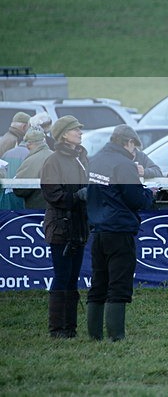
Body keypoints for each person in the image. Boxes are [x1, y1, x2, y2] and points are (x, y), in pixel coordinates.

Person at [86, 125, 155, 341]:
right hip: (119, 229)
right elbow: (135, 199)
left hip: (98, 230)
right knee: (119, 284)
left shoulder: (95, 160)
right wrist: (149, 194)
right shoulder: (124, 165)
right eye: (135, 147)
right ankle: (116, 335)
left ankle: (94, 334)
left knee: (98, 283)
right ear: (129, 142)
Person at [40, 115, 89, 338]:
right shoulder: (53, 161)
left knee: (72, 278)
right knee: (62, 277)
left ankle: (70, 327)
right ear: (63, 135)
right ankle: (57, 328)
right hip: (61, 227)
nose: (79, 132)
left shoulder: (81, 157)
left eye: (79, 129)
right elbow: (53, 195)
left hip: (79, 226)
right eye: (75, 129)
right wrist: (77, 197)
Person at [12, 127, 54, 209]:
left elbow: (20, 189)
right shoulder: (55, 156)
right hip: (57, 209)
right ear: (44, 141)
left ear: (29, 144)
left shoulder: (31, 161)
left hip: (38, 209)